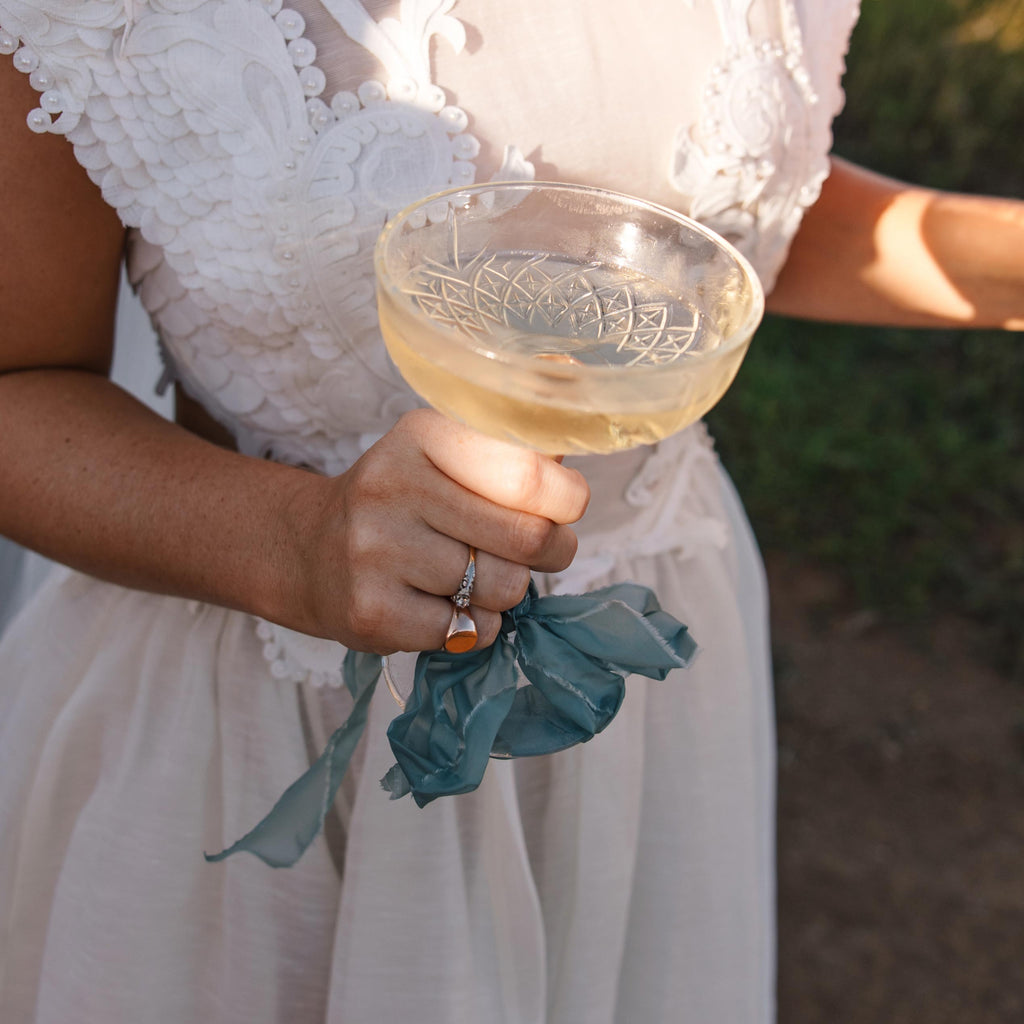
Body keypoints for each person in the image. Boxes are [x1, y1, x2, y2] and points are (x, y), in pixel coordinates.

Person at [0, 1, 1019, 1022]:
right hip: (270, 710)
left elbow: (717, 208)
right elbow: (20, 379)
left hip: (653, 674)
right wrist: (296, 543)